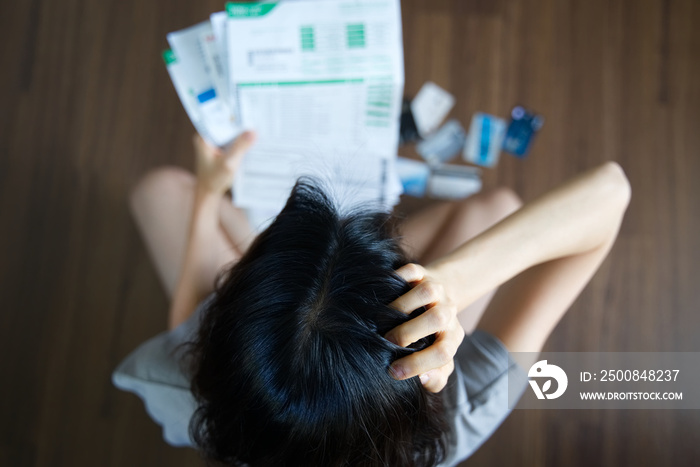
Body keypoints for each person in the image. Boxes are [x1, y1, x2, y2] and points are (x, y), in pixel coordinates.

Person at [113, 132, 631, 466]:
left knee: (158, 191)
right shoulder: (466, 406)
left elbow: (184, 327)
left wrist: (208, 197)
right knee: (498, 207)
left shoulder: (176, 389)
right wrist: (451, 284)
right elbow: (610, 192)